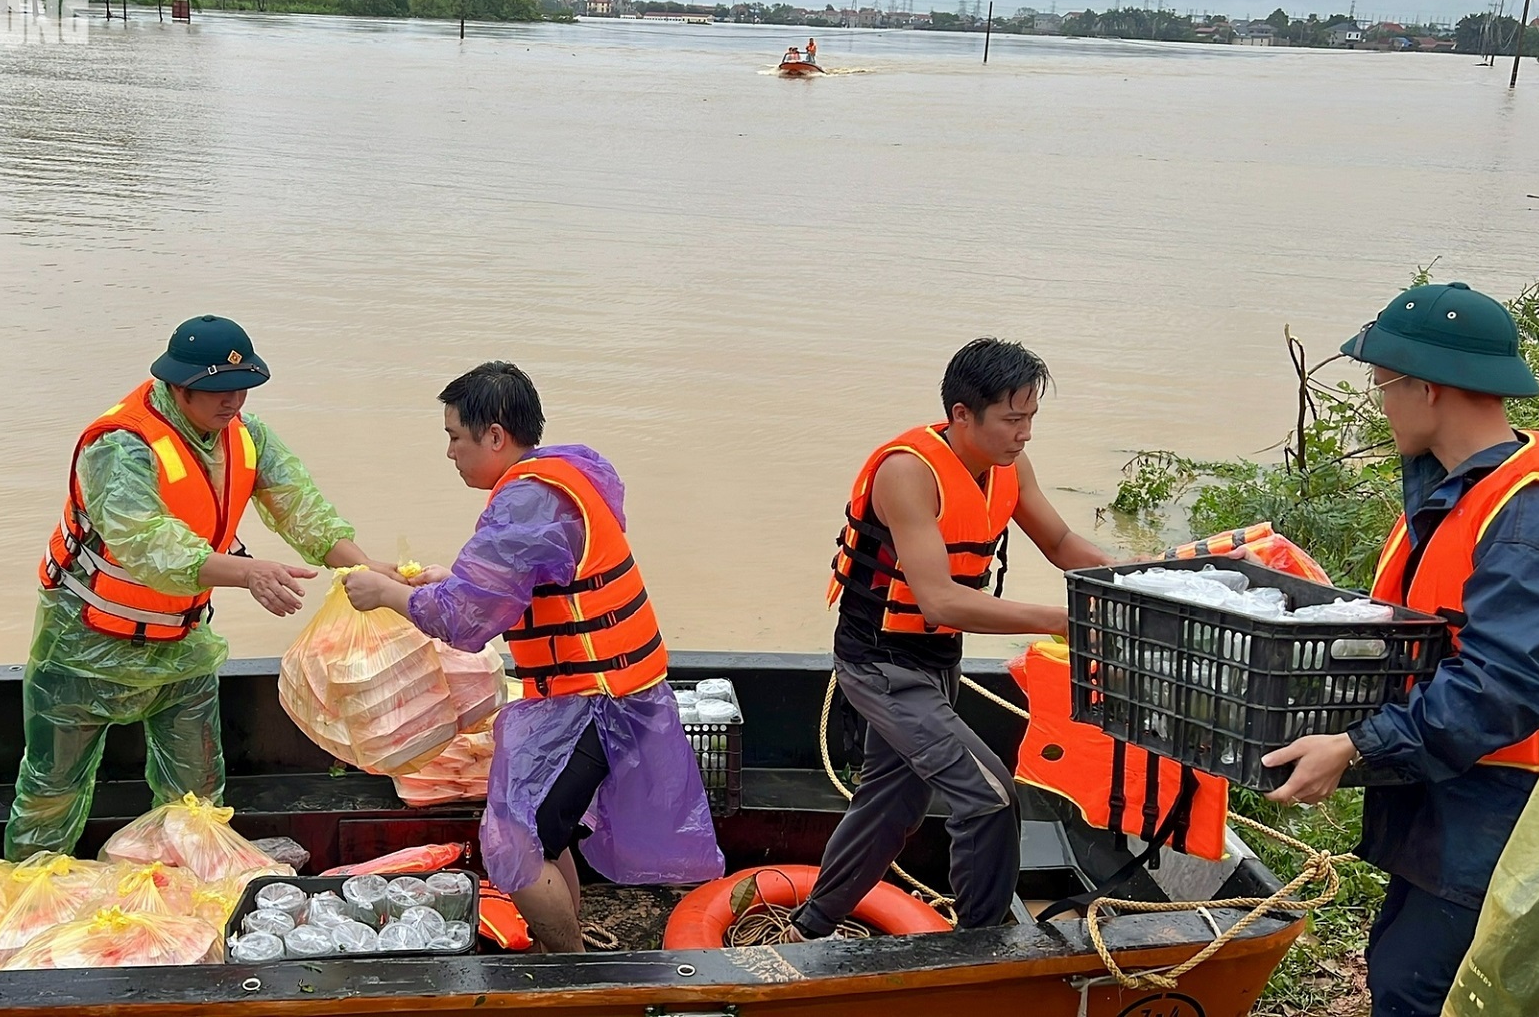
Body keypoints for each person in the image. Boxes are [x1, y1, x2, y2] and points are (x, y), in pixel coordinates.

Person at [344, 361, 723, 952]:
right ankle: (561, 944)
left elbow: (463, 622)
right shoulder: (565, 473)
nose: (449, 453)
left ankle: (568, 969)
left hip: (598, 702)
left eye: (454, 437)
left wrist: (388, 594)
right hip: (614, 692)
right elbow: (531, 580)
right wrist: (450, 580)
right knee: (545, 829)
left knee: (515, 844)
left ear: (494, 436)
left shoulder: (524, 502)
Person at [4, 315, 401, 860]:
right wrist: (249, 572)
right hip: (84, 646)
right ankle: (30, 892)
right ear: (177, 385)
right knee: (53, 792)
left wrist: (360, 567)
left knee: (197, 800)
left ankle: (187, 903)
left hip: (180, 643)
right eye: (217, 390)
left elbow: (302, 509)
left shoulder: (247, 437)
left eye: (241, 388)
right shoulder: (120, 446)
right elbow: (147, 544)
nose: (232, 402)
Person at [1262, 281, 1539, 1017]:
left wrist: (1356, 747)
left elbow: (1504, 685)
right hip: (1440, 790)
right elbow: (1420, 629)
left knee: (1423, 991)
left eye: (1385, 384)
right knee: (1398, 966)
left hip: (1500, 806)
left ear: (1428, 390)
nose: (1382, 402)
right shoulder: (1453, 490)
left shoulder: (1525, 513)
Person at [783, 338, 1113, 938]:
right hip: (881, 665)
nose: (1025, 433)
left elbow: (1064, 547)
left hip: (936, 662)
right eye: (1013, 419)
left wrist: (1134, 579)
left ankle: (813, 924)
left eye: (1031, 418)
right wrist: (1061, 620)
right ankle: (983, 944)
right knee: (988, 797)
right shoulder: (908, 472)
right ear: (963, 414)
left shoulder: (1008, 467)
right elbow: (938, 599)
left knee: (894, 803)